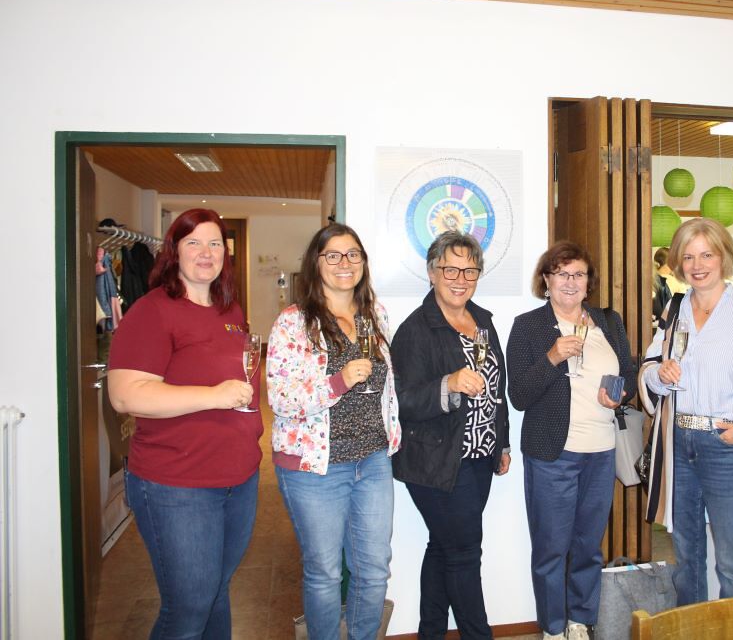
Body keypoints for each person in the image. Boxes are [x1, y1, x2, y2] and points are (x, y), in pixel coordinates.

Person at [107, 208, 262, 639]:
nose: (206, 252)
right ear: (174, 252)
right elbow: (125, 394)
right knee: (189, 607)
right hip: (177, 484)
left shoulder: (229, 309)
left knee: (215, 591)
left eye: (215, 244)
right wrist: (213, 396)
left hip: (238, 479)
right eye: (193, 243)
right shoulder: (152, 311)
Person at [637, 218, 733, 607]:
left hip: (726, 445)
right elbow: (650, 368)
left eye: (707, 255)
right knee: (686, 558)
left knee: (731, 560)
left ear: (724, 257)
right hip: (678, 443)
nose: (697, 265)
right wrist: (660, 375)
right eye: (688, 257)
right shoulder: (674, 310)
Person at [266, 224, 401, 640]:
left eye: (353, 254)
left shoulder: (375, 315)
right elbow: (281, 398)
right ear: (316, 263)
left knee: (374, 569)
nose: (345, 263)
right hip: (315, 468)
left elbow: (386, 387)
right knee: (324, 572)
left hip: (372, 462)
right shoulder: (293, 323)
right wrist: (338, 382)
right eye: (333, 255)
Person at [506, 241, 638, 640]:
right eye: (561, 274)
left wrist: (619, 394)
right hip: (553, 454)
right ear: (546, 280)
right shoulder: (528, 326)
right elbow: (519, 396)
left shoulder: (609, 322)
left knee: (588, 546)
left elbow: (628, 377)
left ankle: (581, 619)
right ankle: (553, 626)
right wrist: (552, 357)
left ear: (588, 282)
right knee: (551, 548)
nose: (570, 282)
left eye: (578, 274)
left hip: (601, 452)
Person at [391, 231, 511, 640]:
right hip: (437, 461)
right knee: (463, 554)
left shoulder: (483, 321)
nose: (461, 279)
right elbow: (401, 400)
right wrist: (449, 384)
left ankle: (430, 633)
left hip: (479, 459)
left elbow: (496, 388)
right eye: (450, 269)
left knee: (443, 547)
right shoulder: (415, 330)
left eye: (470, 270)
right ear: (431, 272)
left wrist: (501, 441)